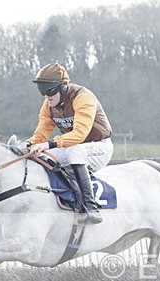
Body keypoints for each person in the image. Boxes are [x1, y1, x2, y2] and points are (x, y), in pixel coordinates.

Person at [26, 62, 113, 224]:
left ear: (63, 87)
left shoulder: (83, 97)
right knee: (43, 156)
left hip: (100, 147)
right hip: (73, 148)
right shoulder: (48, 105)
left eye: (50, 91)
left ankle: (90, 207)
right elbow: (41, 133)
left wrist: (51, 144)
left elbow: (80, 134)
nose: (47, 96)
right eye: (42, 91)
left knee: (74, 152)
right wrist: (28, 144)